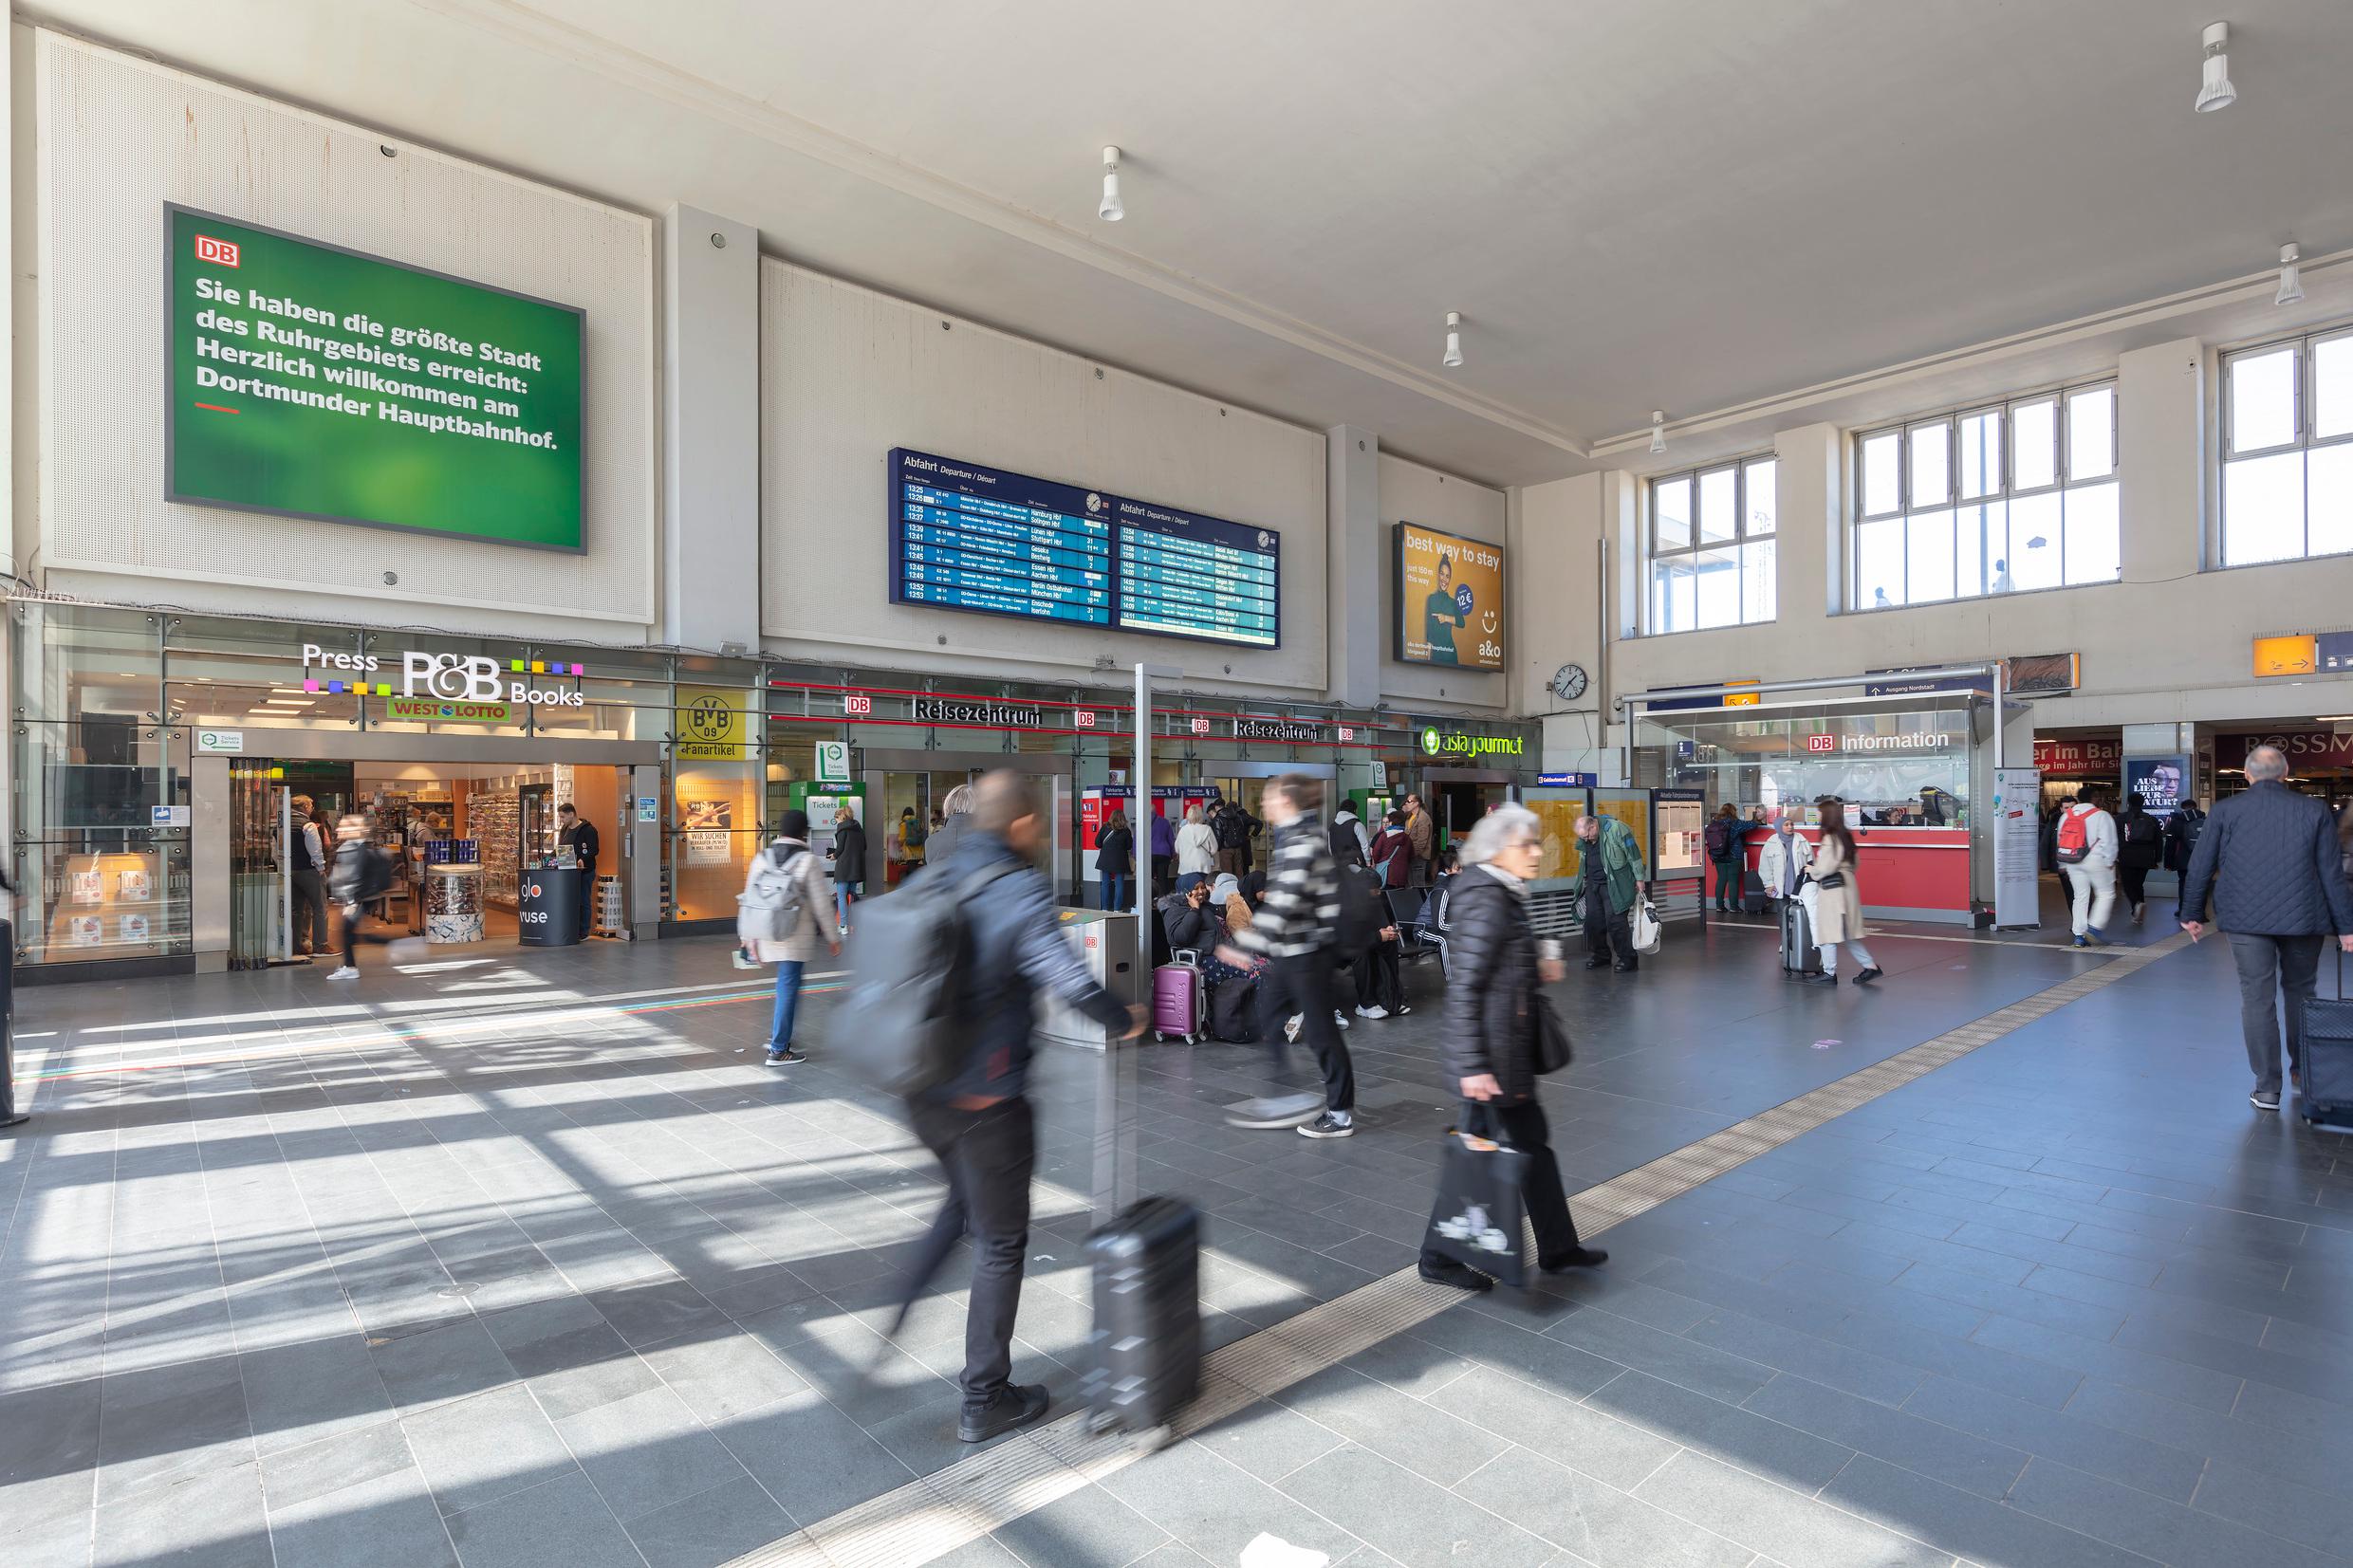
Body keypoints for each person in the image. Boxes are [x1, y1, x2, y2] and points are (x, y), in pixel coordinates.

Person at [883, 771, 1143, 1444]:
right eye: (1041, 823)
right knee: (1000, 1240)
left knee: (959, 1205)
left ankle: (895, 1313)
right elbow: (1066, 979)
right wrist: (1125, 1018)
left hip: (920, 1086)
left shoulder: (933, 872)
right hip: (984, 1096)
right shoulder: (1017, 888)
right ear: (1022, 825)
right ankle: (984, 1396)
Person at [1417, 804, 1607, 1292]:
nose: (1538, 852)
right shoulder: (1485, 896)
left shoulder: (1503, 891)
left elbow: (1500, 970)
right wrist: (1473, 1065)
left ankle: (1558, 1247)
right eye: (1528, 844)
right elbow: (1466, 987)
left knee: (1533, 1150)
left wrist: (1537, 965)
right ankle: (1437, 1257)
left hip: (1508, 1052)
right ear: (1502, 848)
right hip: (1490, 1061)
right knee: (1476, 1156)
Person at [2176, 746, 2353, 1112]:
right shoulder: (2314, 810)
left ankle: (2267, 1088)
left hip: (2244, 920)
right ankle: (2306, 1075)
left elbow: (2200, 865)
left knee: (2256, 998)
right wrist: (2346, 926)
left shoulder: (2225, 810)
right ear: (2285, 773)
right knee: (2301, 993)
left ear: (2247, 774)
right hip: (2304, 918)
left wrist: (2192, 912)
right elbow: (2331, 873)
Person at [1217, 774, 1356, 1138]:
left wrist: (1244, 944)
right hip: (1293, 951)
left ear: (1286, 802)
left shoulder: (1302, 842)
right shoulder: (1295, 838)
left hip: (1309, 954)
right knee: (1270, 1014)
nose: (1263, 805)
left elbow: (1284, 906)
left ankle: (1339, 1113)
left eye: (1269, 798)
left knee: (1322, 1032)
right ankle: (1283, 1093)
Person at [740, 808, 839, 1065]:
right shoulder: (807, 860)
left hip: (767, 931)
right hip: (795, 935)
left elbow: (750, 898)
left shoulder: (763, 856)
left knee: (787, 984)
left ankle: (779, 1036)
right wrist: (833, 937)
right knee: (788, 985)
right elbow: (821, 904)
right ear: (803, 832)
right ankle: (779, 1048)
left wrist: (747, 937)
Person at [1802, 802, 1882, 986]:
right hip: (1848, 886)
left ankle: (1829, 973)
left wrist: (1811, 870)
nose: (1818, 816)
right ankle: (1870, 966)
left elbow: (1826, 867)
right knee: (1847, 934)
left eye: (1820, 813)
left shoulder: (1830, 838)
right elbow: (1855, 864)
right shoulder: (1846, 836)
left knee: (1827, 931)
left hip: (1833, 890)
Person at [325, 815, 409, 979]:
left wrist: (351, 902)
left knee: (346, 932)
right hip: (366, 896)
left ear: (353, 829)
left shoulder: (351, 848)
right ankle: (353, 964)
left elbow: (353, 876)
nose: (338, 829)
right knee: (347, 933)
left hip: (358, 899)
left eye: (343, 827)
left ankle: (351, 967)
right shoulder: (359, 846)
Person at [1572, 813, 1645, 972]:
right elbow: (1583, 857)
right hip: (1593, 884)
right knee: (1593, 922)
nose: (1585, 840)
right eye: (1582, 838)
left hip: (1615, 884)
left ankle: (1628, 959)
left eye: (1587, 836)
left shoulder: (1617, 829)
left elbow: (1634, 854)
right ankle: (1601, 956)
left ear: (1593, 826)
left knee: (1616, 922)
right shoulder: (1585, 837)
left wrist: (1639, 879)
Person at [2057, 792, 2118, 948]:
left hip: (2073, 861)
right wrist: (2110, 861)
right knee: (2106, 893)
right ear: (2094, 799)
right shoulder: (2102, 815)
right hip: (2096, 860)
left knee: (2080, 897)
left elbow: (2061, 840)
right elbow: (2109, 841)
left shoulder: (2066, 816)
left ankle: (2079, 935)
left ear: (2078, 799)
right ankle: (2094, 929)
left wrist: (2062, 864)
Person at [287, 794, 328, 959]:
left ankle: (296, 946)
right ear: (304, 807)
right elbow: (315, 849)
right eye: (311, 805)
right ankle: (320, 946)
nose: (312, 808)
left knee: (296, 910)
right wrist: (321, 867)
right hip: (309, 870)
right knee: (320, 908)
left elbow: (276, 849)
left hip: (291, 870)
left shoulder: (283, 824)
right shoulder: (308, 825)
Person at [2116, 792, 2163, 925]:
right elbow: (2158, 841)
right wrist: (2157, 859)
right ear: (2143, 803)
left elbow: (2114, 838)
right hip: (2146, 857)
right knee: (2138, 884)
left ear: (2128, 803)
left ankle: (2136, 905)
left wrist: (2115, 855)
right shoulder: (2151, 819)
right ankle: (2138, 911)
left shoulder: (2121, 818)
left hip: (2126, 856)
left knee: (2127, 885)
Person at [557, 802, 601, 939]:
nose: (561, 820)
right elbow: (561, 848)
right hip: (568, 873)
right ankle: (571, 928)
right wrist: (549, 858)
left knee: (583, 900)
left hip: (585, 872)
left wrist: (583, 859)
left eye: (563, 817)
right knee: (570, 900)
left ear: (572, 814)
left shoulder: (589, 830)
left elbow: (594, 850)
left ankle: (583, 932)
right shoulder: (564, 830)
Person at [1158, 876, 1225, 953]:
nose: (1201, 891)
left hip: (1219, 954)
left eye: (1203, 887)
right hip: (1199, 958)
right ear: (1185, 891)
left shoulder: (1207, 906)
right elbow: (1181, 937)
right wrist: (1195, 910)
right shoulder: (1175, 909)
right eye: (1196, 888)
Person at [1757, 813, 1813, 904]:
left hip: (1800, 884)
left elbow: (1811, 863)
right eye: (1786, 825)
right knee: (1782, 913)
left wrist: (1809, 881)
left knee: (1799, 913)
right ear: (1779, 826)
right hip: (1780, 885)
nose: (1790, 827)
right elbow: (1765, 867)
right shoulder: (1772, 843)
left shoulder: (1802, 841)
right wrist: (1769, 884)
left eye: (1791, 824)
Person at [829, 805, 868, 934]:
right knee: (850, 896)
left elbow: (839, 848)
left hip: (844, 867)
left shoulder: (842, 828)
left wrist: (833, 855)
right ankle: (850, 924)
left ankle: (843, 926)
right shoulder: (859, 829)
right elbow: (864, 846)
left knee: (841, 896)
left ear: (842, 816)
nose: (837, 821)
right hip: (856, 867)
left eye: (837, 818)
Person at [1421, 550, 1464, 666]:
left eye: (1447, 576)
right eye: (1442, 573)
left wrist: (1445, 618)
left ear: (1450, 579)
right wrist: (1427, 659)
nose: (1444, 579)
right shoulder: (1431, 599)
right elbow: (1429, 634)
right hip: (1436, 656)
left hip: (1451, 655)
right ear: (1438, 574)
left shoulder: (1453, 602)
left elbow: (1462, 622)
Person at [1704, 802, 1745, 914]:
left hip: (1718, 855)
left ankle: (1719, 906)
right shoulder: (1735, 823)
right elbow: (1752, 825)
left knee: (1721, 879)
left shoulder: (1714, 823)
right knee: (1733, 881)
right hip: (1734, 856)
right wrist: (1757, 818)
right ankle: (1734, 907)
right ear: (1733, 812)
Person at [1095, 809, 1135, 912]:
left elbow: (1097, 843)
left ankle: (1105, 908)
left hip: (1106, 860)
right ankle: (1117, 908)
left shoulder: (1105, 828)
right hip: (1119, 861)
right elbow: (1129, 846)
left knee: (1105, 883)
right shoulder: (1126, 831)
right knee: (1119, 884)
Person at [1174, 803, 1218, 894]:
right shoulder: (1207, 829)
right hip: (1203, 867)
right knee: (1203, 893)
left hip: (1186, 868)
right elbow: (1214, 850)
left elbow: (1177, 849)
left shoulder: (1183, 830)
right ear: (1200, 815)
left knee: (1186, 895)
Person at [1211, 795, 1260, 876]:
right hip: (1238, 849)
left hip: (1225, 849)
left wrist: (1218, 849)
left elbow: (1219, 836)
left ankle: (1230, 889)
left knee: (1227, 874)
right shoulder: (1236, 816)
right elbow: (1241, 830)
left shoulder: (1218, 819)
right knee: (1239, 873)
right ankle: (1240, 889)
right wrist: (1248, 837)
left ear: (1216, 807)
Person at [2164, 797, 2208, 878]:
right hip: (2202, 859)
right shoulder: (2206, 820)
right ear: (2195, 808)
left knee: (2183, 883)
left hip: (2182, 859)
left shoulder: (2176, 822)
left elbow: (2170, 844)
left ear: (2183, 809)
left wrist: (2168, 864)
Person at [1370, 808, 1413, 890]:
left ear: (1391, 822)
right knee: (1399, 896)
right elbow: (1411, 855)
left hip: (1387, 872)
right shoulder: (1407, 838)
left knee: (1387, 897)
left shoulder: (1384, 836)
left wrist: (1377, 862)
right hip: (1402, 874)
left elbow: (1375, 853)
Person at [1404, 793, 1436, 886]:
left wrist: (1413, 854)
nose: (1407, 803)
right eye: (1407, 801)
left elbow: (1422, 841)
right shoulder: (1410, 817)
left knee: (1418, 883)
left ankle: (1421, 900)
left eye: (1409, 801)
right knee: (1410, 883)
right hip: (1410, 854)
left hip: (1418, 856)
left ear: (1417, 803)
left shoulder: (1423, 817)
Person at [1329, 800, 1370, 869]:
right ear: (1354, 810)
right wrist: (1368, 861)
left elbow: (1330, 847)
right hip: (1356, 864)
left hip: (1338, 865)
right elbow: (1365, 845)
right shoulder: (1357, 824)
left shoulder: (1332, 827)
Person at [1147, 803, 1176, 894]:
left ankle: (1149, 901)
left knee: (1148, 880)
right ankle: (1163, 902)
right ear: (1155, 811)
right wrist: (1173, 854)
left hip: (1149, 854)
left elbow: (1137, 840)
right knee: (1162, 880)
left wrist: (1135, 855)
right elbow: (1171, 839)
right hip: (1164, 854)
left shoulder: (1143, 821)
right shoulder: (1165, 821)